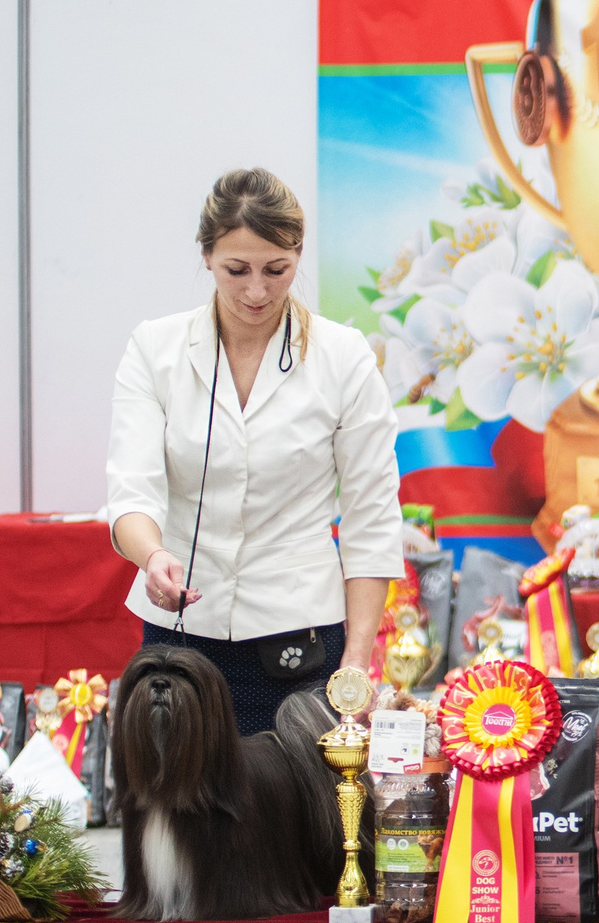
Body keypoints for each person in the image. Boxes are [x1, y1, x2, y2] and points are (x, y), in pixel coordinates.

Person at [104, 169, 402, 735]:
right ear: (206, 255)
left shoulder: (344, 356)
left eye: (277, 270)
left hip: (302, 643)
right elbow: (130, 492)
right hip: (179, 640)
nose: (257, 292)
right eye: (235, 270)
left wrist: (356, 664)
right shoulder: (154, 350)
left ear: (298, 253)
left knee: (297, 821)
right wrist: (151, 557)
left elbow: (371, 520)